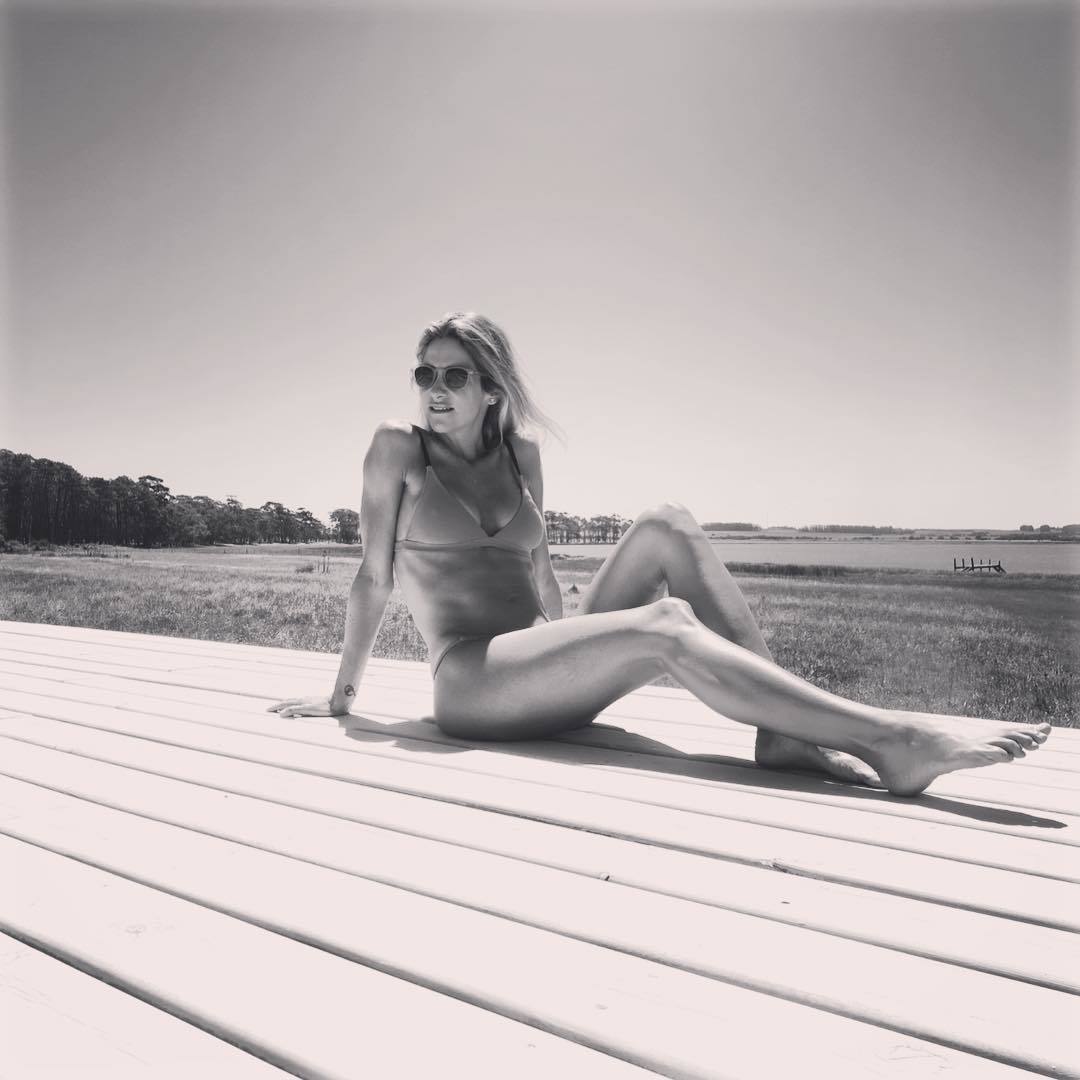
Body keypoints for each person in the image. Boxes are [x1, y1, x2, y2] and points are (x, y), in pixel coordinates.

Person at [269, 312, 1050, 795]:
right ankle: (895, 742)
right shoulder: (398, 448)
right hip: (472, 682)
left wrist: (571, 650)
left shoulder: (522, 454)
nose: (433, 387)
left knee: (667, 523)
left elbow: (539, 571)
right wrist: (342, 698)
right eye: (424, 373)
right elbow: (373, 576)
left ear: (492, 388)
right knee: (667, 621)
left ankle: (783, 736)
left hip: (534, 665)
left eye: (453, 374)